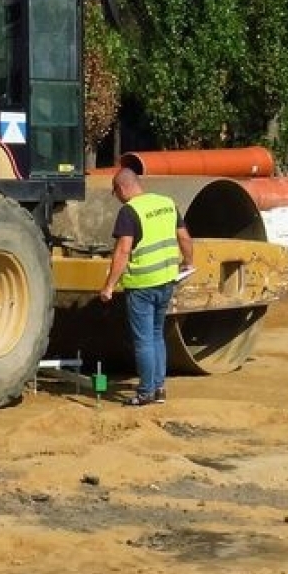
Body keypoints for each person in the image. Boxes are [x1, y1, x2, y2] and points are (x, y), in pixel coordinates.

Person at [99, 167, 192, 406]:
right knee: (157, 334)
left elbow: (123, 250)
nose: (117, 197)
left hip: (141, 286)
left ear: (121, 188)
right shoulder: (167, 203)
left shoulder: (129, 212)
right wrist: (188, 262)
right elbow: (184, 237)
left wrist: (109, 286)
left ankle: (146, 392)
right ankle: (159, 388)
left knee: (143, 341)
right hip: (166, 281)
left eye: (115, 192)